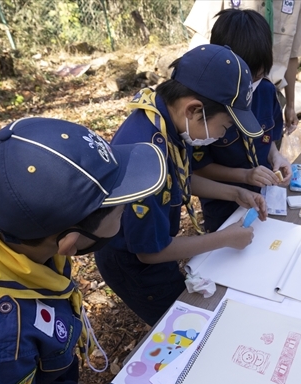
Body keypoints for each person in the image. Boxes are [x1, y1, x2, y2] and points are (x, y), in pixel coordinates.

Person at [0, 117, 167, 384]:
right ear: (69, 241)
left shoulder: (9, 232)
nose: (125, 213)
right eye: (120, 212)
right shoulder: (0, 351)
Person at [95, 44, 268, 326]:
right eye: (225, 125)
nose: (225, 134)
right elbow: (149, 252)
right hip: (132, 260)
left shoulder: (165, 120)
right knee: (178, 322)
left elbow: (181, 178)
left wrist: (236, 192)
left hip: (152, 239)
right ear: (194, 110)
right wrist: (224, 239)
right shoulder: (148, 157)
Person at [193, 9, 292, 232]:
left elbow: (270, 138)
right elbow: (199, 168)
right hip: (222, 202)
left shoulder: (266, 91)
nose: (252, 87)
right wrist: (245, 175)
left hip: (263, 193)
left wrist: (277, 157)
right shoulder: (207, 106)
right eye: (245, 80)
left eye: (256, 78)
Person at [183, 0, 301, 137]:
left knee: (265, 145)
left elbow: (293, 55)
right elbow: (200, 38)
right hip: (225, 95)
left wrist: (290, 106)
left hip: (269, 95)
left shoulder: (298, 2)